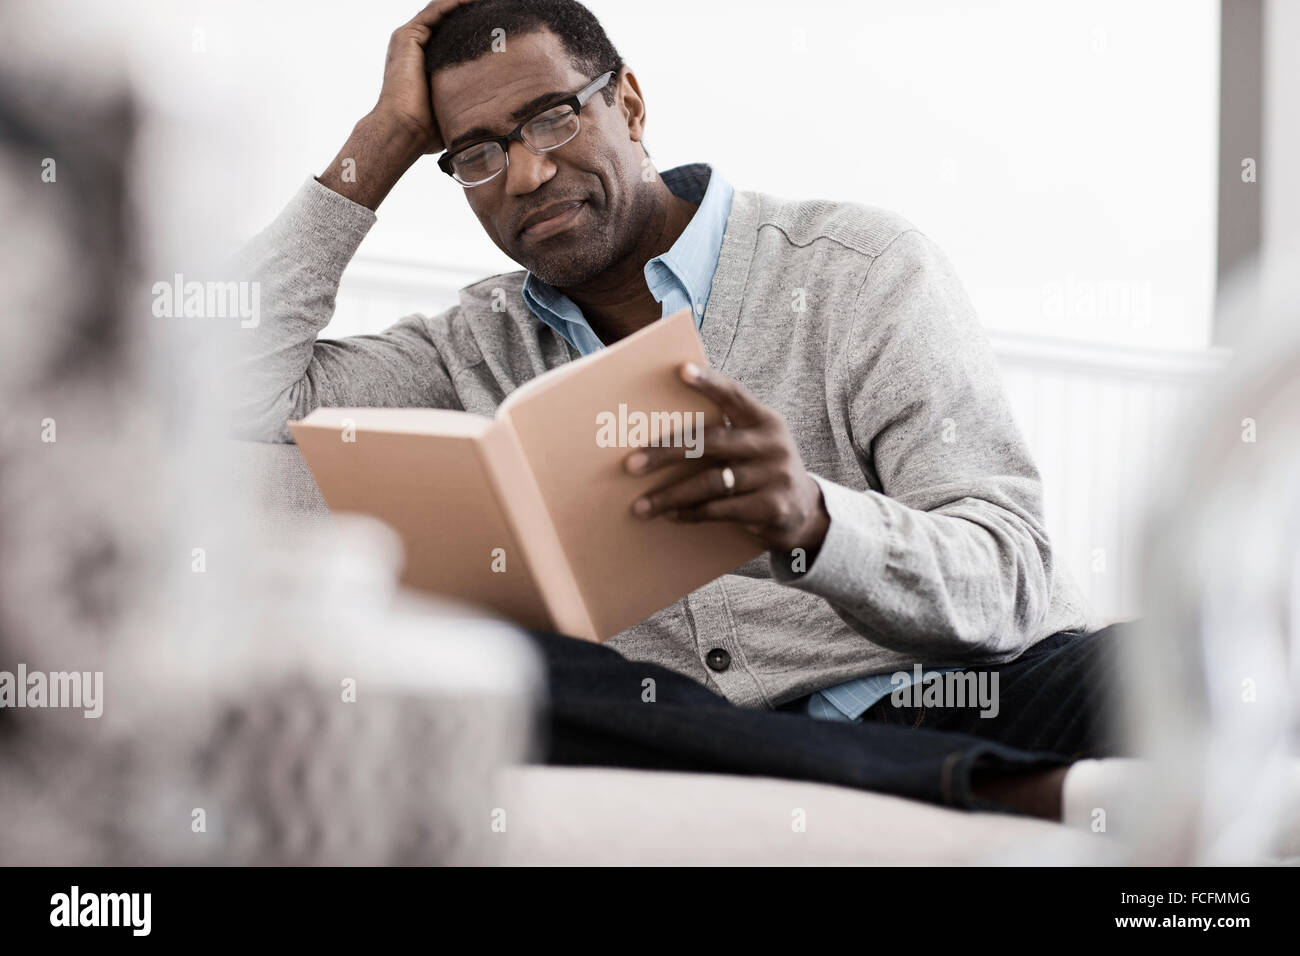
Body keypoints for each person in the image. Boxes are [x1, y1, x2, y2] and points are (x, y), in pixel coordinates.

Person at [231, 0, 1125, 820]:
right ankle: (1009, 791)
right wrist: (379, 142)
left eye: (553, 115)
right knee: (510, 673)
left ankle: (956, 772)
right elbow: (213, 391)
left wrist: (815, 523)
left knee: (1173, 666)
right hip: (712, 736)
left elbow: (1008, 578)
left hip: (979, 690)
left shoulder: (860, 268)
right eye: (477, 154)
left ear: (629, 102)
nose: (528, 172)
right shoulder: (468, 348)